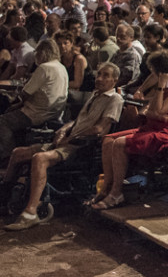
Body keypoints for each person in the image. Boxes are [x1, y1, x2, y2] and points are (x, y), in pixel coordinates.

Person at [2, 63, 123, 230]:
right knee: (18, 153)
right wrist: (63, 129)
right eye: (99, 74)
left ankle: (31, 212)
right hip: (67, 140)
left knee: (40, 159)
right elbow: (77, 121)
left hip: (80, 146)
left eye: (105, 76)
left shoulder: (115, 99)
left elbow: (100, 129)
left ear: (114, 80)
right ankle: (4, 197)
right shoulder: (95, 95)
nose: (99, 78)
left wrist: (71, 137)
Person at [89, 50, 168, 209]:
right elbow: (151, 110)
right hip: (154, 126)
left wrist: (159, 87)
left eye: (154, 72)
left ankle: (116, 192)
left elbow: (158, 110)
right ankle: (106, 188)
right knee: (108, 140)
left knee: (119, 143)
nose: (151, 74)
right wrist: (154, 104)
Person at [0, 39, 68, 162]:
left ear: (42, 52)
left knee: (3, 121)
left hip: (37, 113)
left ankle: (8, 157)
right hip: (55, 112)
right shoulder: (61, 67)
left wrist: (16, 103)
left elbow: (25, 93)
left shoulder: (44, 68)